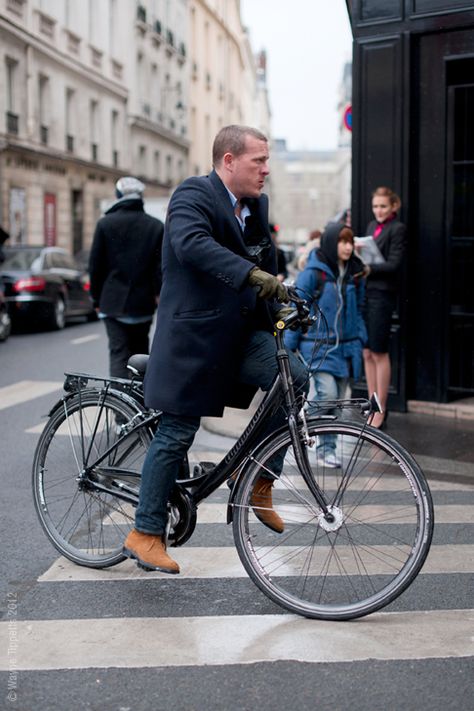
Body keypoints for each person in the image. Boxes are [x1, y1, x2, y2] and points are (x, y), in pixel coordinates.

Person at [123, 125, 308, 574]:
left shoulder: (256, 205)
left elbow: (267, 261)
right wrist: (250, 275)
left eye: (267, 160)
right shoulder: (192, 194)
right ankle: (145, 533)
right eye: (258, 161)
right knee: (177, 431)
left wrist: (285, 301)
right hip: (193, 339)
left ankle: (260, 480)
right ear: (229, 161)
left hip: (240, 333)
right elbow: (192, 245)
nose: (266, 169)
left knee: (295, 377)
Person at [285, 223, 367, 467]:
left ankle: (326, 451)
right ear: (332, 243)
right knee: (328, 396)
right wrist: (289, 347)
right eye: (342, 241)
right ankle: (290, 428)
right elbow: (297, 308)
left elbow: (360, 308)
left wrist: (361, 337)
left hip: (346, 349)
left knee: (336, 405)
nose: (347, 247)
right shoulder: (314, 273)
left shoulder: (355, 273)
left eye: (350, 242)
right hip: (317, 347)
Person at [89, 177, 164, 379]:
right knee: (140, 355)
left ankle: (119, 407)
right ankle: (139, 406)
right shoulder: (155, 226)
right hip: (143, 303)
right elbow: (159, 268)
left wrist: (95, 299)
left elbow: (95, 267)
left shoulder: (105, 224)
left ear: (118, 196)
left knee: (118, 354)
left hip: (112, 302)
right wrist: (158, 294)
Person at [360, 186, 406, 429]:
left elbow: (394, 264)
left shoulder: (397, 229)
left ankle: (382, 410)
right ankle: (372, 405)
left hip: (383, 296)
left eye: (383, 206)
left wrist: (369, 268)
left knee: (379, 352)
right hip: (367, 293)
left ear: (393, 206)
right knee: (367, 352)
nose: (378, 210)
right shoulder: (370, 227)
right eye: (375, 206)